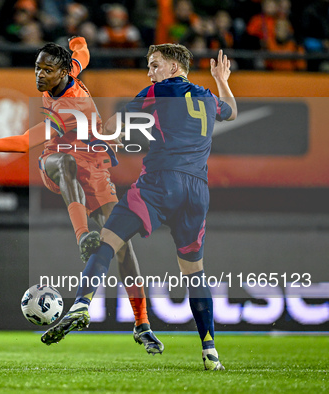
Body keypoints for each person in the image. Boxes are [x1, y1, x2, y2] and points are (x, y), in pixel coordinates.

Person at [0, 37, 164, 355]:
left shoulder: (70, 108)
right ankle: (83, 235)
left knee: (123, 247)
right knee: (66, 161)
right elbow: (82, 54)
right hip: (58, 162)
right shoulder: (70, 70)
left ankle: (142, 327)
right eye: (37, 68)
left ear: (62, 73)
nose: (39, 76)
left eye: (46, 70)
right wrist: (78, 41)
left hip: (94, 169)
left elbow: (21, 143)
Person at [41, 45, 237, 372]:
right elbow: (230, 110)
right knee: (194, 271)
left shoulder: (157, 90)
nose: (150, 72)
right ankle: (210, 348)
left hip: (159, 184)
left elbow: (116, 123)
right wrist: (222, 81)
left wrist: (107, 137)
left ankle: (81, 305)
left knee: (108, 241)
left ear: (174, 67)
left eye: (154, 65)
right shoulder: (206, 97)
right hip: (197, 192)